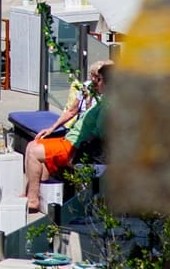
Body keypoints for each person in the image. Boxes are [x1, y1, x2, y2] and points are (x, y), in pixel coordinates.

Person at [22, 62, 111, 212]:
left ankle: (33, 200)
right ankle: (39, 196)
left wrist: (78, 152)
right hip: (71, 140)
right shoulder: (101, 98)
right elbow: (73, 111)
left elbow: (100, 134)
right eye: (94, 77)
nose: (95, 81)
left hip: (76, 146)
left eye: (99, 78)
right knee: (33, 144)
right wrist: (51, 129)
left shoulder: (109, 104)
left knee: (34, 151)